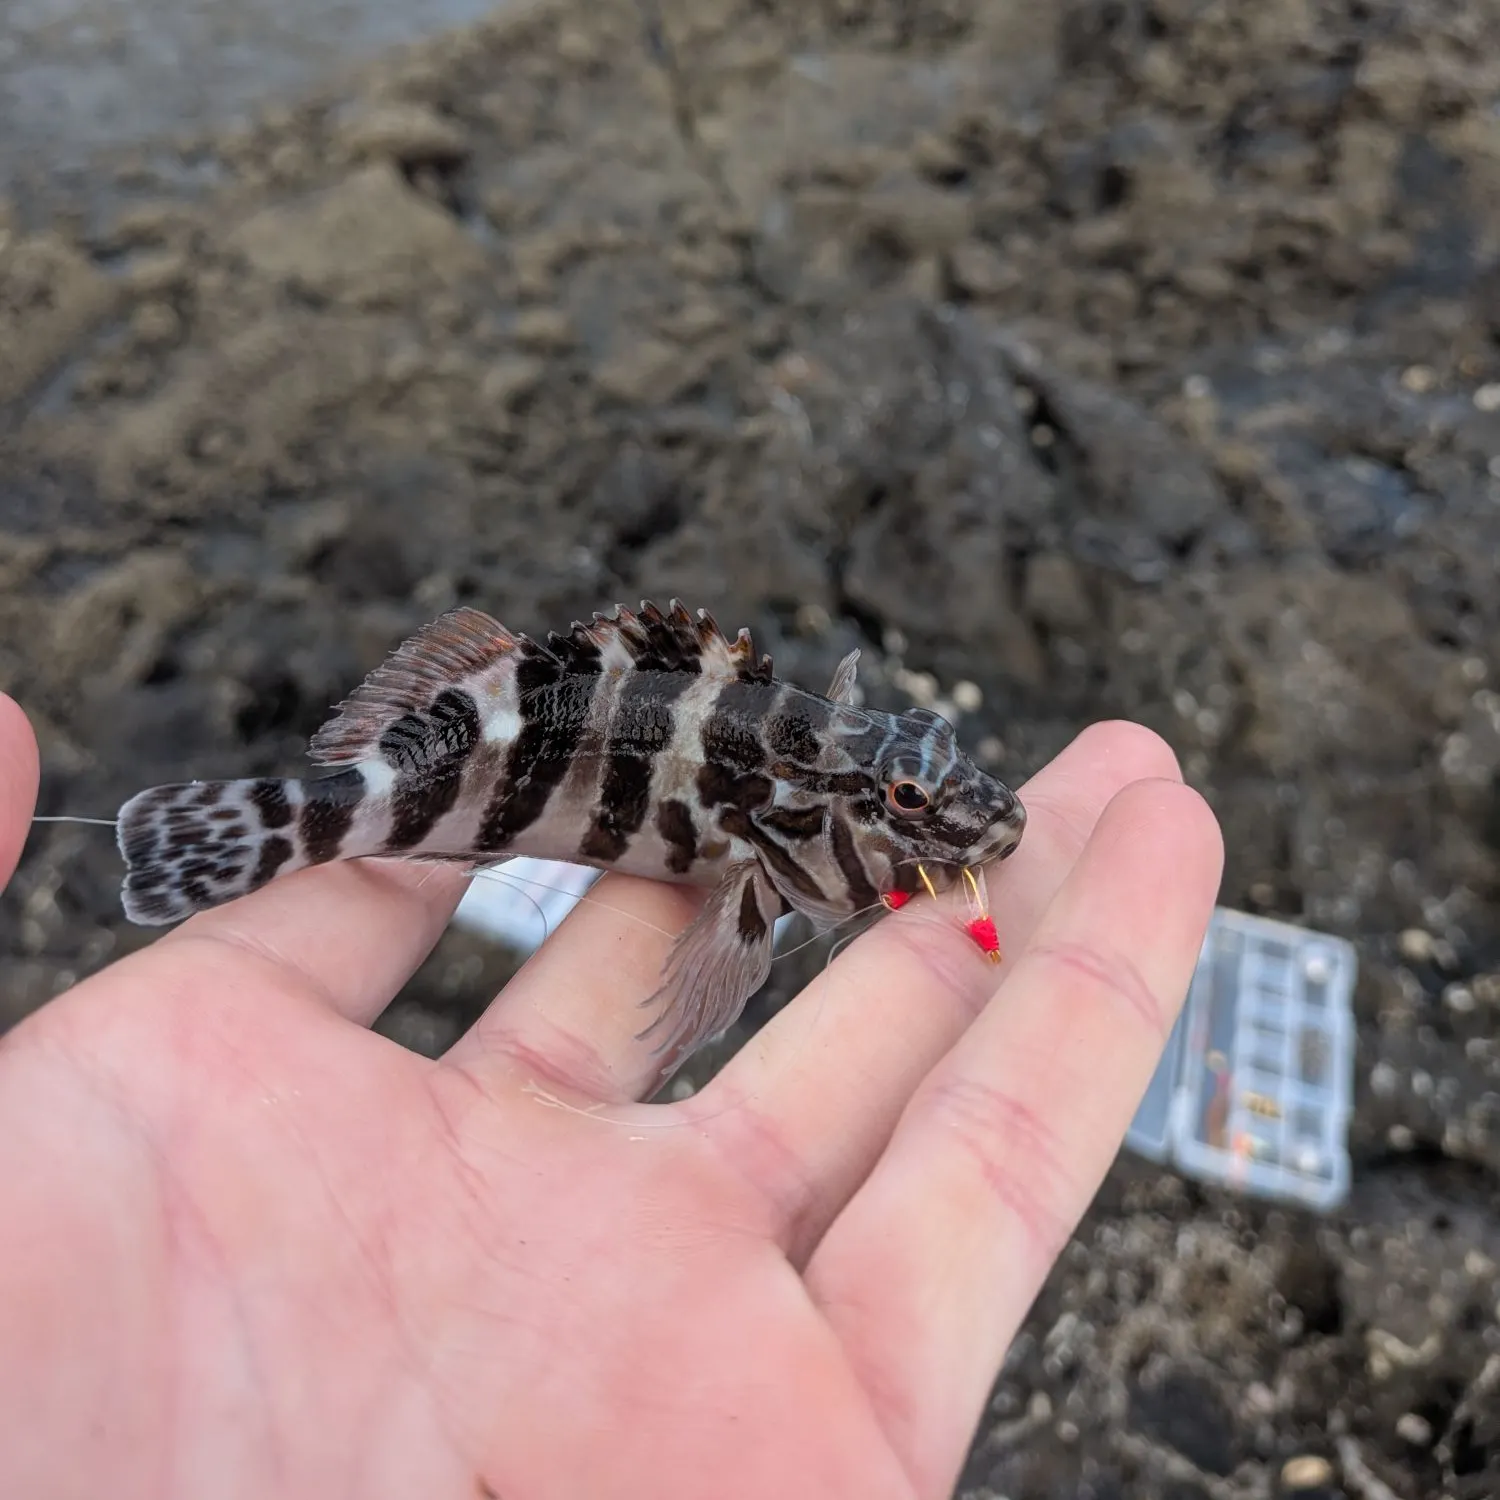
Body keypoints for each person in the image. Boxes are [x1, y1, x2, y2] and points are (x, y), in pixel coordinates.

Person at [0, 689, 1221, 1499]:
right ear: (806, 805)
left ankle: (254, 831)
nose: (961, 820)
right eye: (908, 809)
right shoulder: (766, 838)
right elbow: (722, 952)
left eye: (930, 794)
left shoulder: (803, 804)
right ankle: (263, 832)